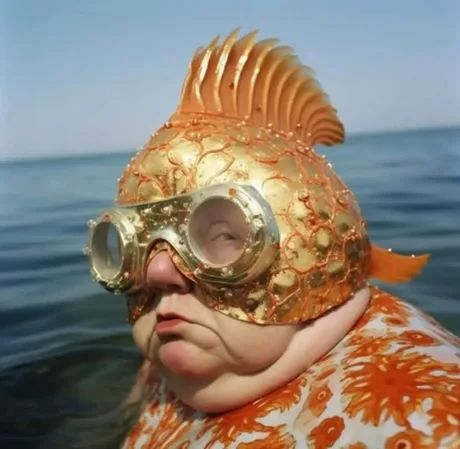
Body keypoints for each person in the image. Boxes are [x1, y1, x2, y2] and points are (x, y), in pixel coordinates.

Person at [84, 29, 460, 449]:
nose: (156, 271)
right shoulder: (173, 351)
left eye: (225, 235)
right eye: (138, 243)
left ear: (315, 251)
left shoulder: (421, 416)